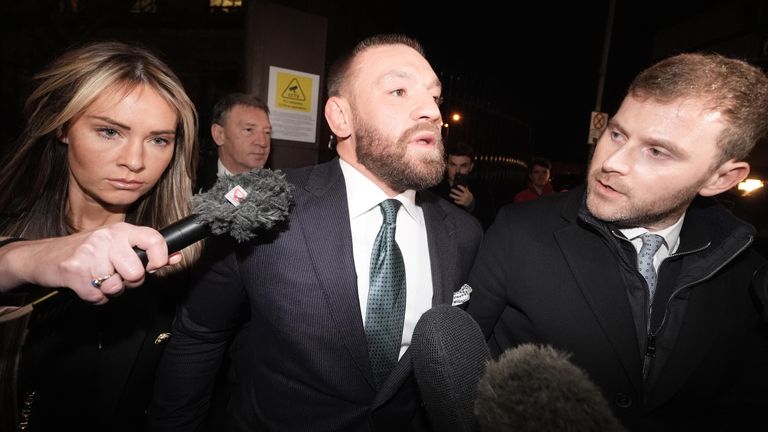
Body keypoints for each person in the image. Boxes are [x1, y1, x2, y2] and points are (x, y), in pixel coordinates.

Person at [149, 33, 483, 431]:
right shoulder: (265, 205)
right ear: (340, 118)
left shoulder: (464, 233)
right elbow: (201, 334)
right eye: (399, 90)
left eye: (435, 97)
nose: (430, 110)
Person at [466, 52, 768, 430]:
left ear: (720, 179)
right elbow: (462, 369)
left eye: (657, 151)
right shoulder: (519, 230)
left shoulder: (748, 272)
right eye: (617, 134)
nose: (613, 162)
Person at [0, 41, 201, 432]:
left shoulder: (186, 260)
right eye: (110, 131)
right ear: (62, 127)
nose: (135, 160)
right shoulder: (10, 223)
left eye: (159, 140)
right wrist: (23, 259)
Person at [196, 93, 272, 191]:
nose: (262, 142)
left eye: (267, 132)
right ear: (219, 134)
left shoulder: (282, 192)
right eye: (249, 130)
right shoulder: (189, 186)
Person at [430, 143, 495, 228]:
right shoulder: (434, 188)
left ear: (471, 167)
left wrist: (472, 205)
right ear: (446, 165)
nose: (457, 171)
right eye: (453, 165)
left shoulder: (482, 190)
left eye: (463, 166)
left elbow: (489, 221)